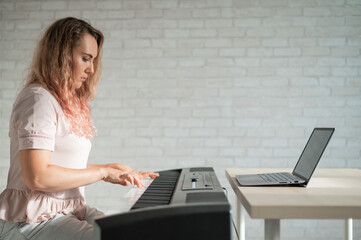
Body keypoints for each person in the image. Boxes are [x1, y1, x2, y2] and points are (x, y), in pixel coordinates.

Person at [0, 17, 159, 240]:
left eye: (93, 60)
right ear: (61, 56)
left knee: (131, 230)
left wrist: (110, 169)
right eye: (85, 58)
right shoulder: (38, 100)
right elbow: (37, 176)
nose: (91, 69)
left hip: (66, 211)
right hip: (32, 221)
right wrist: (103, 172)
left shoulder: (61, 102)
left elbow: (60, 164)